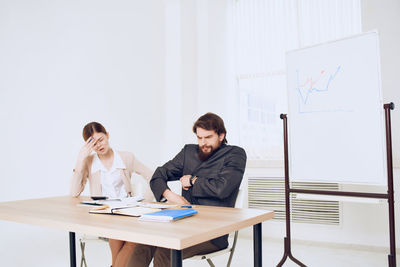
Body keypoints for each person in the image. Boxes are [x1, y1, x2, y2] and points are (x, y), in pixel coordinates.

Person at [127, 112, 247, 267]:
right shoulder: (189, 152)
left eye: (208, 137)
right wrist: (170, 195)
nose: (203, 143)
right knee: (144, 243)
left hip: (213, 233)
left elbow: (221, 189)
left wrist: (193, 180)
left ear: (221, 135)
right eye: (199, 138)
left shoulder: (235, 154)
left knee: (165, 251)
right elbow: (158, 175)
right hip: (182, 223)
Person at [70, 122, 153, 267]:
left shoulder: (126, 157)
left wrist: (145, 201)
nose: (99, 145)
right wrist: (80, 159)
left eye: (101, 139)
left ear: (107, 135)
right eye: (94, 144)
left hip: (128, 213)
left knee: (132, 239)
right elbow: (74, 192)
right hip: (104, 216)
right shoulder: (89, 162)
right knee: (117, 231)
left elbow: (153, 177)